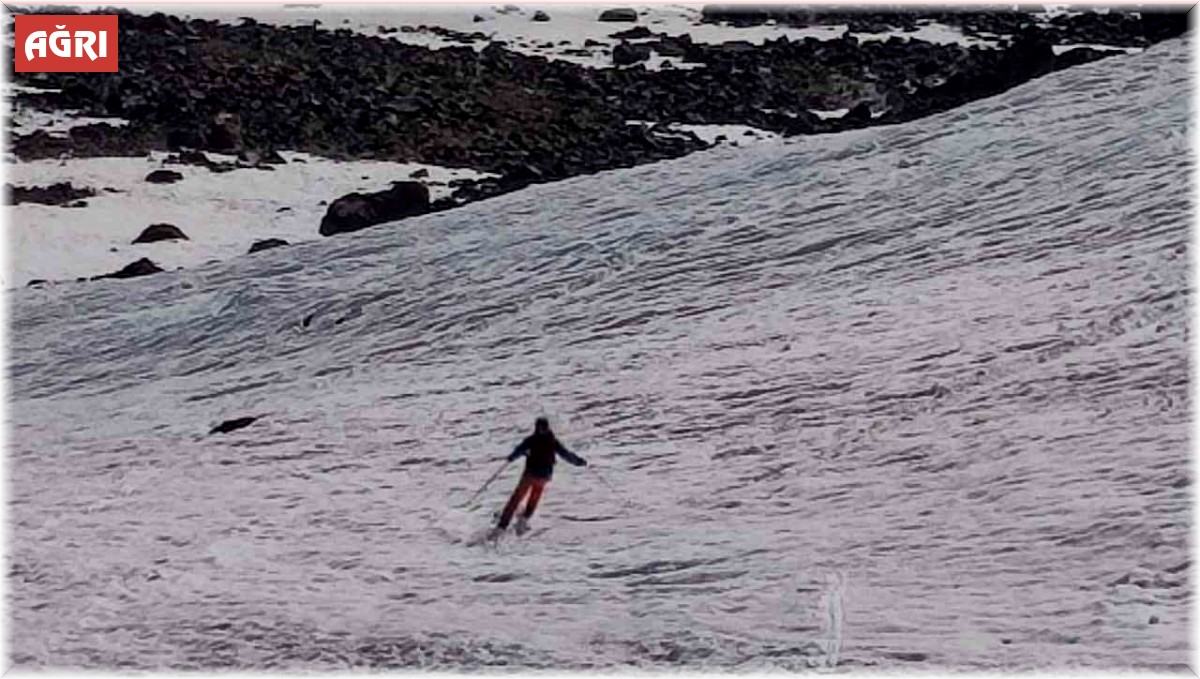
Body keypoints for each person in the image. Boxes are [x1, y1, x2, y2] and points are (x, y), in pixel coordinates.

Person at [495, 416, 586, 534]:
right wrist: (579, 462)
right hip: (544, 477)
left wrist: (511, 458)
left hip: (530, 474)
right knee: (535, 497)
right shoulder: (553, 441)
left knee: (517, 498)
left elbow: (519, 450)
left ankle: (502, 525)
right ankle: (524, 519)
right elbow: (566, 454)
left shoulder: (532, 440)